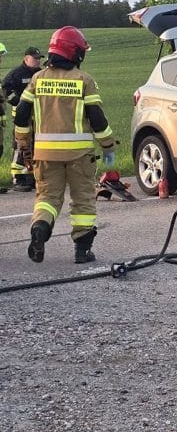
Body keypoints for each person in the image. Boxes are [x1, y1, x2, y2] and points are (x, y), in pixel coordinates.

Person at [13, 26, 116, 264]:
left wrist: (23, 144)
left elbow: (21, 116)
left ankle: (40, 228)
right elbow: (98, 119)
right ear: (75, 53)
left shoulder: (37, 79)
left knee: (47, 198)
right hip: (80, 155)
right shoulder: (83, 80)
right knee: (83, 201)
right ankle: (82, 252)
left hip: (45, 154)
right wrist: (108, 147)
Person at [3, 46, 45, 191]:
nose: (38, 61)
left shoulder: (41, 73)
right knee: (21, 145)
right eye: (35, 58)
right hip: (22, 117)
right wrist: (17, 103)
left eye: (39, 59)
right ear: (26, 58)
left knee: (35, 145)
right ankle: (18, 178)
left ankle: (30, 177)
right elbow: (5, 89)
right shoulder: (17, 73)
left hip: (38, 116)